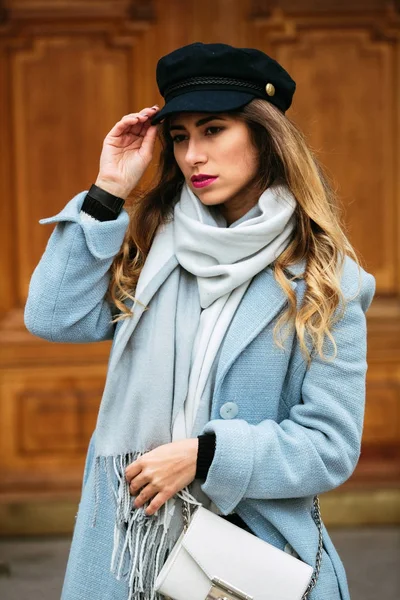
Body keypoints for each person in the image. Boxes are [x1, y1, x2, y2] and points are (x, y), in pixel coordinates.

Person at [24, 42, 376, 600]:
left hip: (246, 562)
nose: (192, 155)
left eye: (213, 130)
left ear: (263, 137)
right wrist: (108, 190)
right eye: (181, 136)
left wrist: (205, 456)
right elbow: (52, 318)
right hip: (127, 551)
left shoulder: (327, 281)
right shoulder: (147, 244)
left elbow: (330, 445)